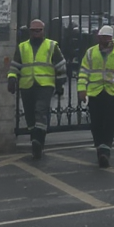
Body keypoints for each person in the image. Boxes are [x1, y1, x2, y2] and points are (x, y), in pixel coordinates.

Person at [8, 19, 66, 158]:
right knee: (29, 115)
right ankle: (35, 139)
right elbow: (15, 65)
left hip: (45, 84)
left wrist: (59, 84)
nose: (36, 33)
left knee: (40, 110)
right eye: (33, 30)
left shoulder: (51, 46)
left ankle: (38, 140)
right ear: (30, 31)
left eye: (38, 30)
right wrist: (11, 78)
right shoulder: (22, 47)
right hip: (27, 85)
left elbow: (61, 66)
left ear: (43, 31)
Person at [78, 25, 114, 168]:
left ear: (112, 38)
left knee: (111, 122)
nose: (105, 40)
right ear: (99, 38)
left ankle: (105, 149)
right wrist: (81, 90)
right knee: (96, 122)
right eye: (103, 38)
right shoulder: (90, 53)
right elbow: (84, 72)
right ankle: (100, 147)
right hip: (95, 91)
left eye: (108, 38)